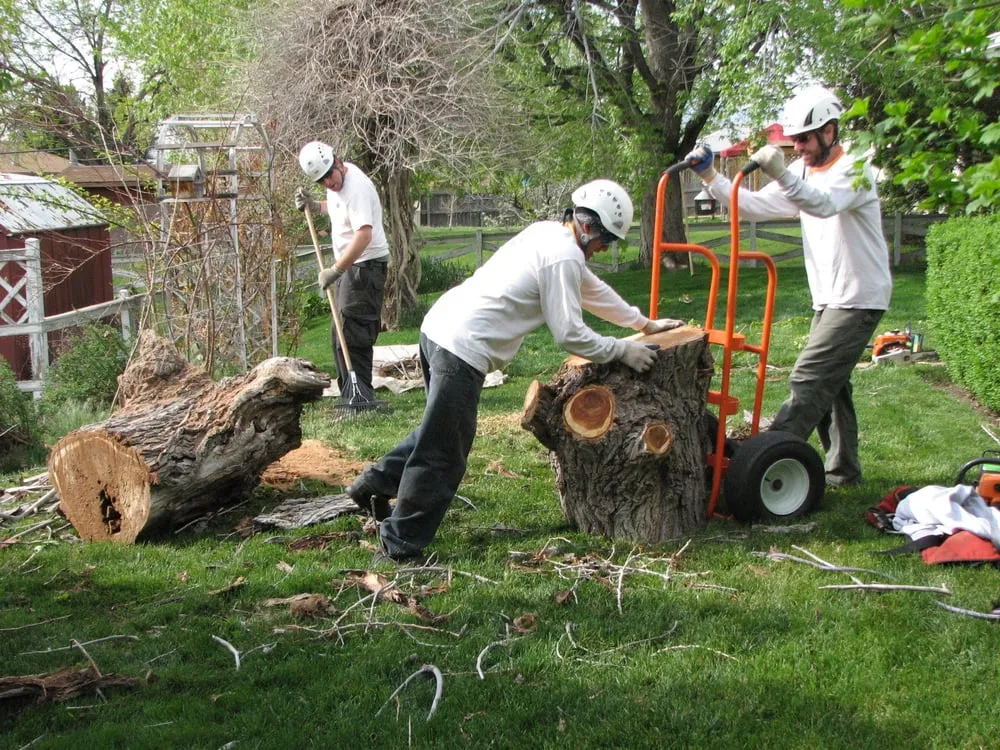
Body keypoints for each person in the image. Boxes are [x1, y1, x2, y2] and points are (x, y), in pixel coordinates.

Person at [346, 179, 684, 562]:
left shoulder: (549, 235)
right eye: (606, 239)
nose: (605, 248)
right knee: (444, 452)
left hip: (439, 329)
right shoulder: (564, 256)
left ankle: (374, 485)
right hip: (462, 347)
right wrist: (621, 350)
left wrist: (643, 323)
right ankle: (398, 548)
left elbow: (592, 290)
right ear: (588, 227)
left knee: (439, 430)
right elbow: (570, 333)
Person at [686, 86, 892, 488]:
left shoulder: (854, 169)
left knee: (809, 378)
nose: (797, 147)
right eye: (793, 140)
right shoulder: (800, 171)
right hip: (829, 295)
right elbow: (755, 207)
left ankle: (759, 465)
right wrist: (711, 176)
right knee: (833, 385)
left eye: (804, 138)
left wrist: (780, 170)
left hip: (858, 295)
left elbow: (823, 204)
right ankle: (844, 470)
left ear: (831, 131)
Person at [295, 141, 390, 401]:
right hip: (353, 268)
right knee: (341, 335)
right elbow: (338, 208)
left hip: (364, 268)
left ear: (337, 162)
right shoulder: (336, 185)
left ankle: (360, 399)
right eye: (321, 181)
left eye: (329, 176)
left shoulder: (356, 186)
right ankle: (351, 395)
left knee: (353, 334)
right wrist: (315, 206)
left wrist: (336, 270)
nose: (328, 183)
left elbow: (364, 235)